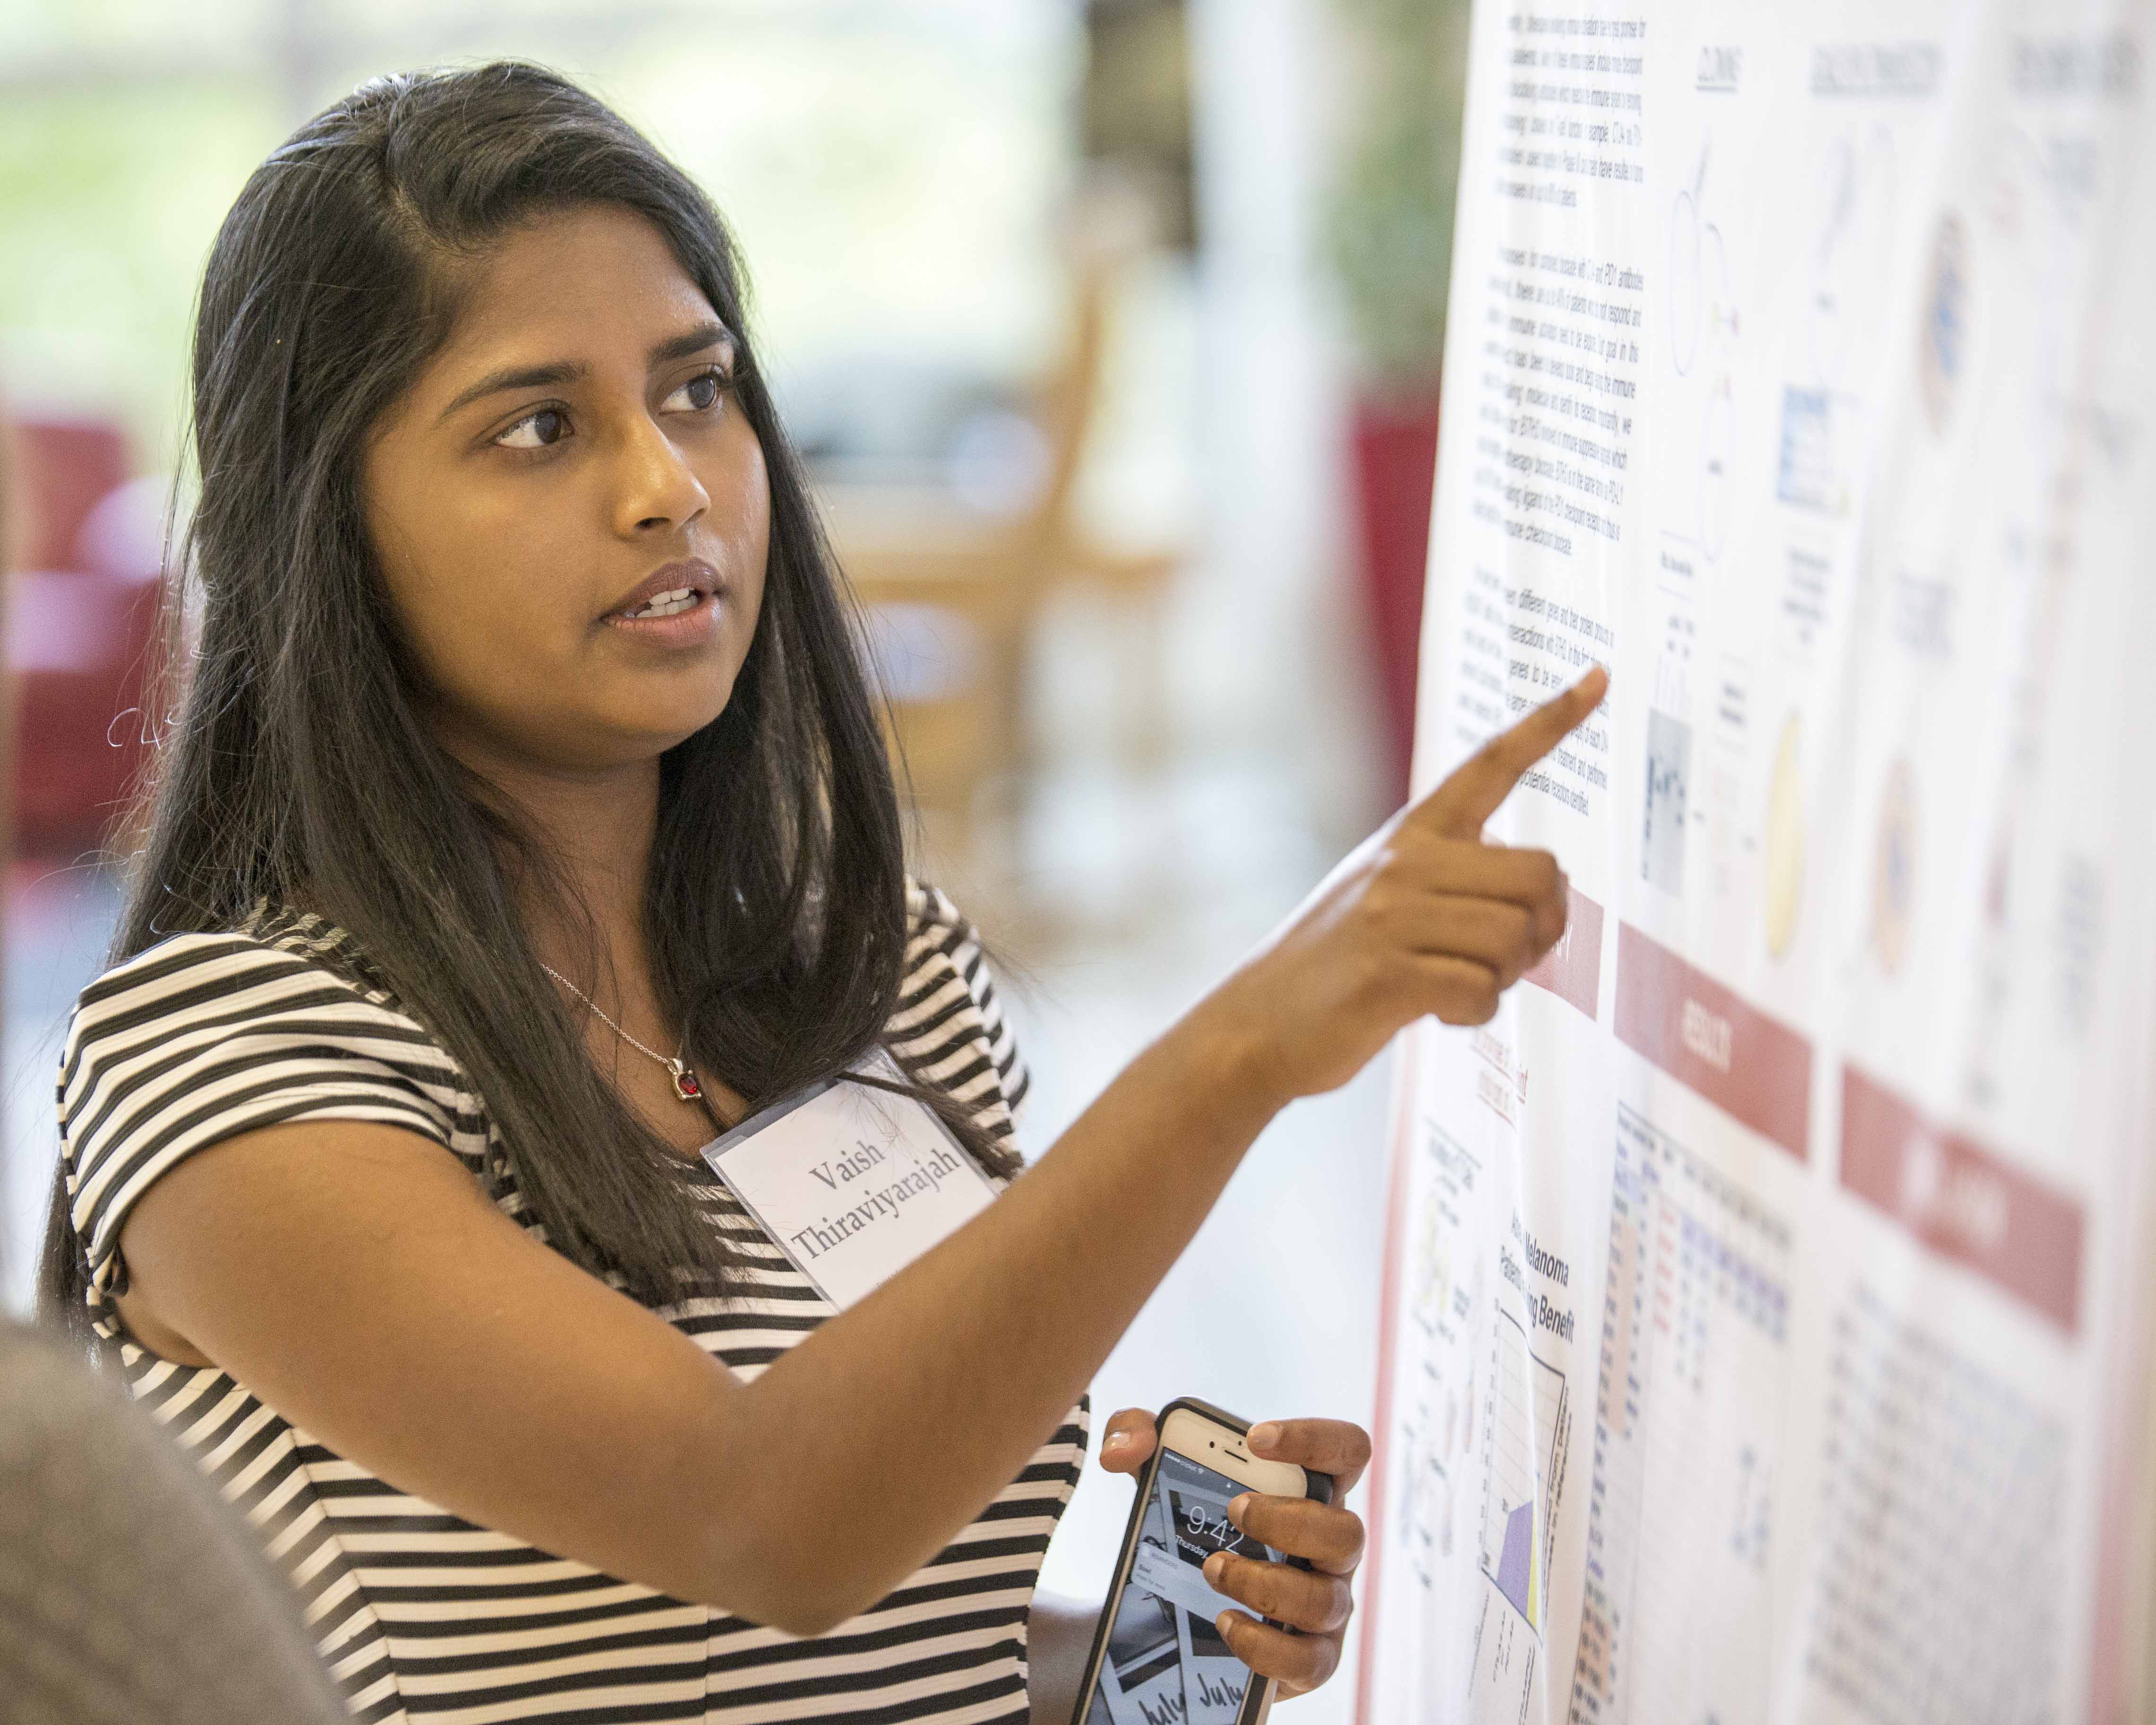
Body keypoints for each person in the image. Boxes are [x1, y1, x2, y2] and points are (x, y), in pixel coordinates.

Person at [37, 63, 1603, 1725]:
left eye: (698, 390)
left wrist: (1180, 1635)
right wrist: (1239, 1054)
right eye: (540, 426)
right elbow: (761, 1517)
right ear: (323, 523)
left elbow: (882, 1647)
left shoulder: (884, 979)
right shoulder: (222, 1064)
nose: (668, 484)